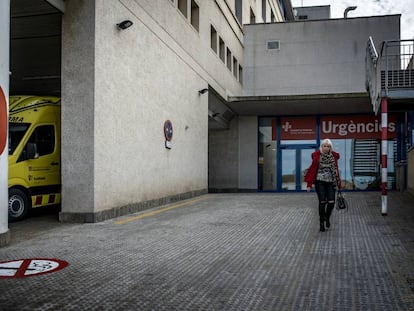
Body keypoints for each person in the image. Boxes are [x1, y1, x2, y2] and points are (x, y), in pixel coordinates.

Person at [304, 138, 342, 232]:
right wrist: (309, 184)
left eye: (328, 146)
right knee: (322, 202)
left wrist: (338, 184)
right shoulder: (317, 156)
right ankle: (321, 223)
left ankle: (327, 217)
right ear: (321, 147)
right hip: (319, 182)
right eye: (324, 146)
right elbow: (312, 170)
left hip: (330, 182)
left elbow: (336, 170)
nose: (326, 148)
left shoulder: (333, 156)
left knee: (331, 202)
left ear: (330, 148)